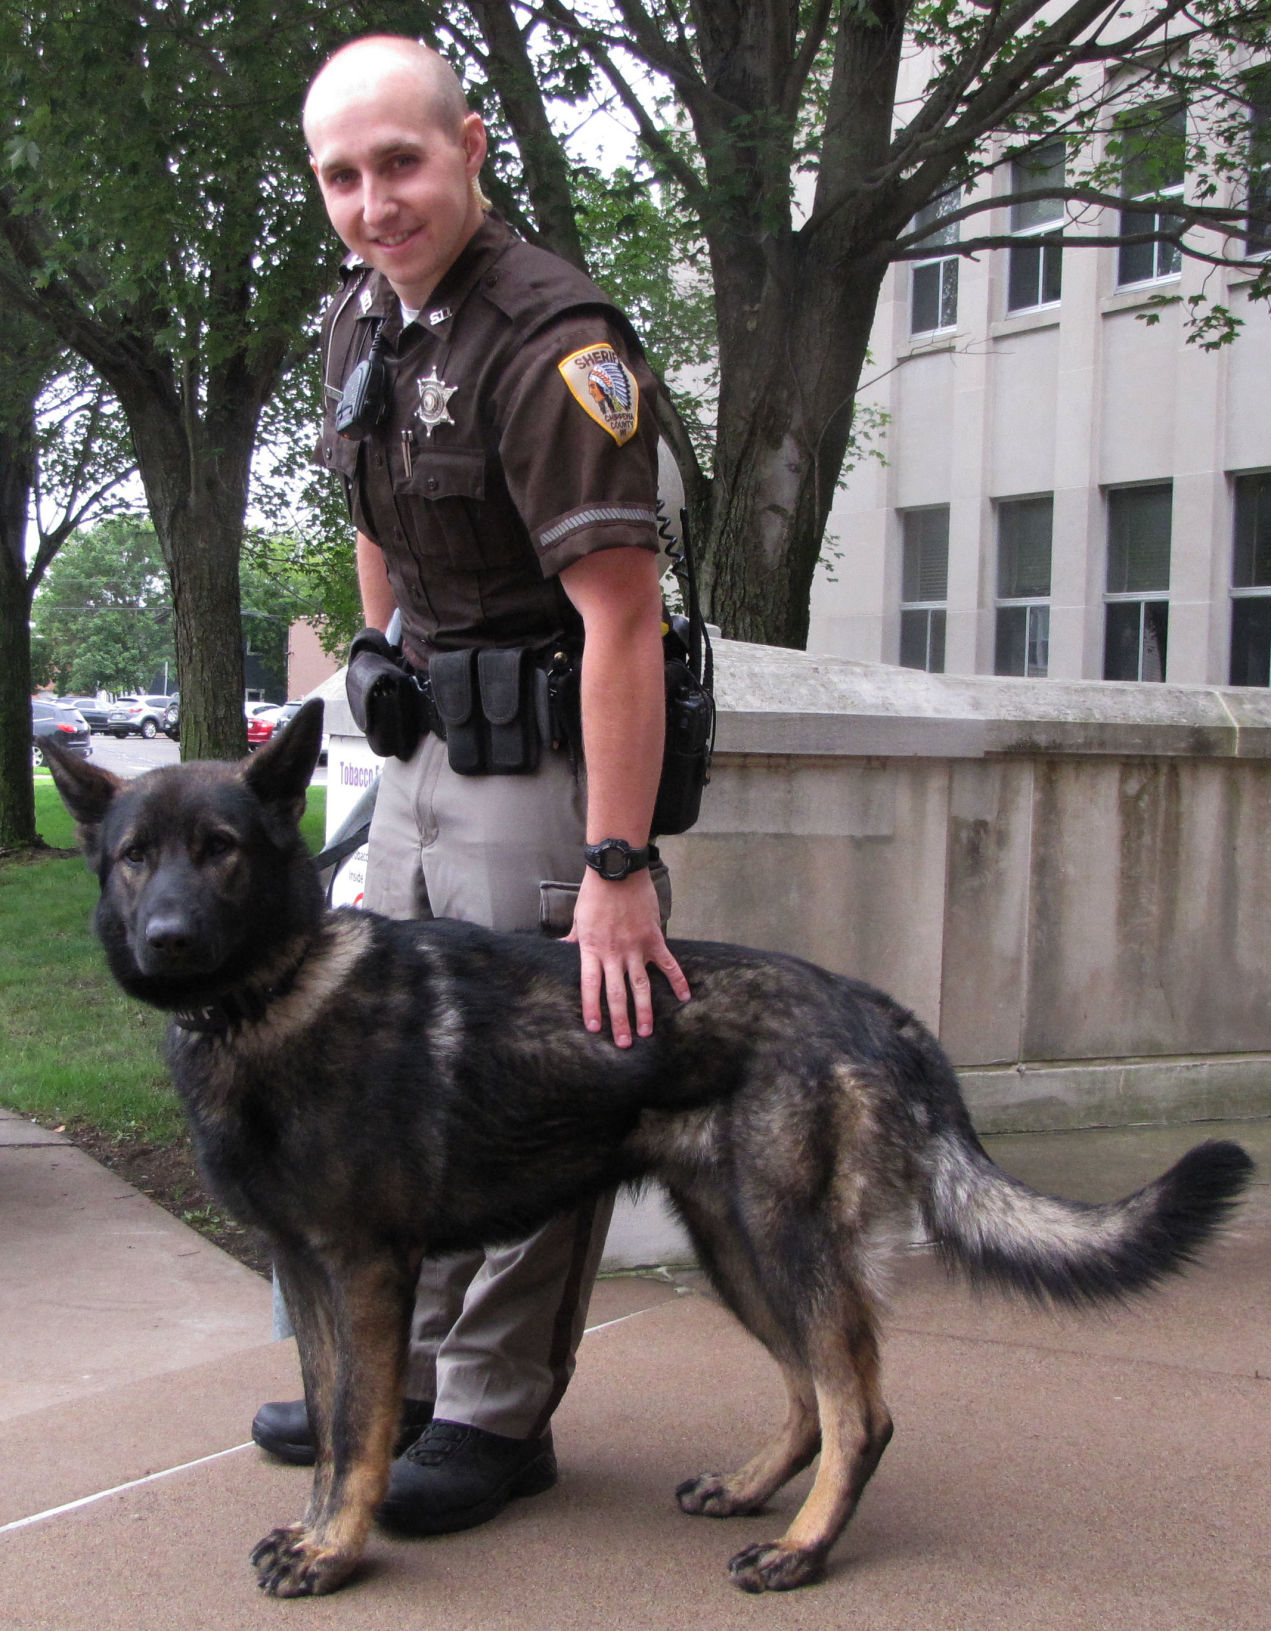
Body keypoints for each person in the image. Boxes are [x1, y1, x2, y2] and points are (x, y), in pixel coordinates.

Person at [250, 33, 691, 1536]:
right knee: (395, 1074)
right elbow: (376, 494)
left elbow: (623, 618)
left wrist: (619, 869)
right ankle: (407, 1378)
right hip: (429, 745)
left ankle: (498, 1418)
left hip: (549, 768)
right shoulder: (362, 319)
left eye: (401, 163)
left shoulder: (553, 342)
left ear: (473, 146)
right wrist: (377, 654)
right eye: (342, 175)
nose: (374, 201)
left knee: (537, 1088)